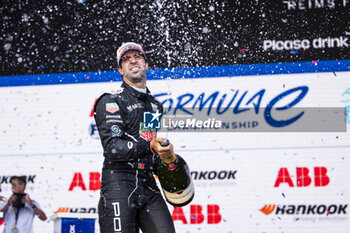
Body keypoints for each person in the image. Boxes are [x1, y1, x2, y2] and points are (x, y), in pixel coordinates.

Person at [94, 42, 178, 233]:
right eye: (126, 59)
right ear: (120, 70)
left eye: (137, 56)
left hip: (148, 184)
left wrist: (168, 159)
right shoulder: (110, 101)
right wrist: (151, 146)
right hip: (119, 182)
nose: (132, 60)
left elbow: (150, 148)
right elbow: (113, 148)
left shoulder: (155, 105)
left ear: (146, 64)